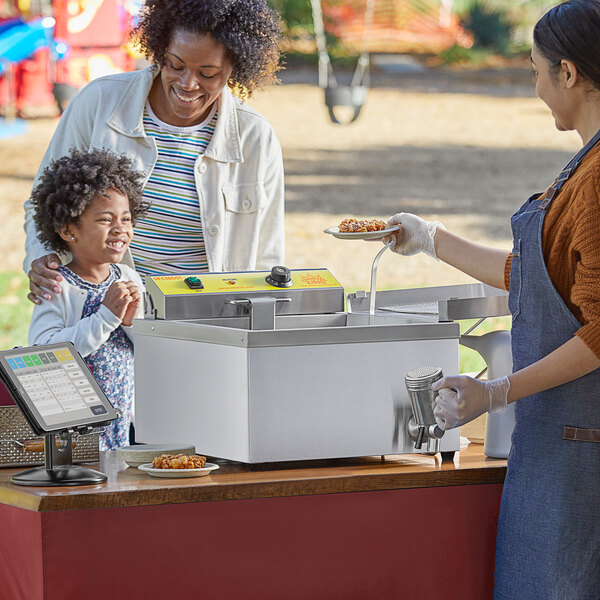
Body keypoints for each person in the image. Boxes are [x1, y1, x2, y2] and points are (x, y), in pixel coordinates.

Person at [382, 2, 600, 598]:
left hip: (580, 452)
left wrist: (497, 392)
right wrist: (431, 239)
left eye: (535, 71)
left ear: (570, 74)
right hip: (558, 444)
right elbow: (539, 277)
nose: (535, 88)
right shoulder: (582, 167)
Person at [24, 0, 285, 304]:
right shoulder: (99, 102)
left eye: (208, 73)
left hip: (205, 320)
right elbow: (42, 203)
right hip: (94, 312)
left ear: (234, 68)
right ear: (160, 50)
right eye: (175, 65)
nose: (188, 83)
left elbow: (267, 254)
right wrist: (42, 257)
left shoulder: (255, 136)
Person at [28, 148, 148, 450]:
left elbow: (151, 350)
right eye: (105, 220)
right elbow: (44, 353)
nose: (120, 228)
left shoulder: (129, 278)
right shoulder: (57, 285)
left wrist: (133, 324)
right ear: (69, 230)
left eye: (126, 218)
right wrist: (106, 317)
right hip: (77, 428)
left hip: (127, 421)